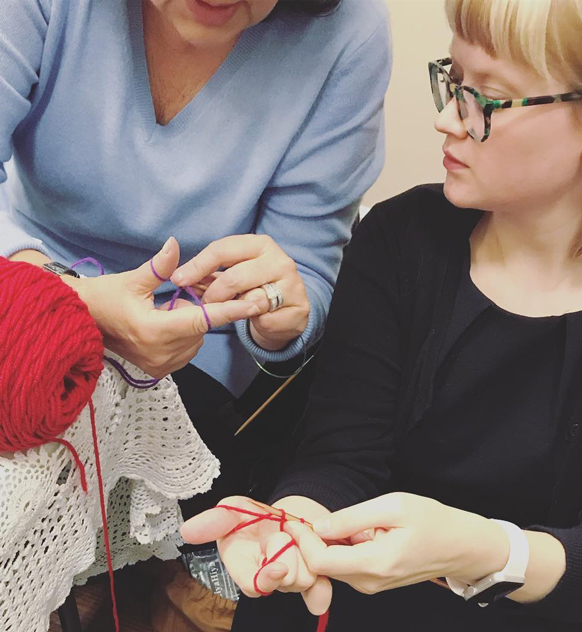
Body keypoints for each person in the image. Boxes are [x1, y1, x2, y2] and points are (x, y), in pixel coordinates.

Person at [181, 0, 582, 630]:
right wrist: (291, 524)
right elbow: (340, 457)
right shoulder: (404, 238)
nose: (447, 119)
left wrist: (483, 552)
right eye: (453, 81)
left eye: (487, 99)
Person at [0, 0, 391, 507]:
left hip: (193, 349)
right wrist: (72, 298)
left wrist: (279, 314)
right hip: (21, 281)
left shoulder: (350, 33)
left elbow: (307, 277)